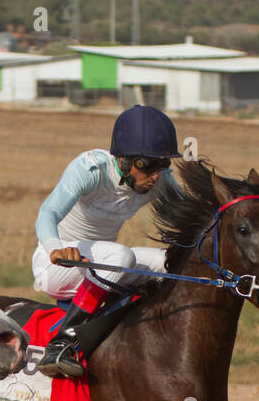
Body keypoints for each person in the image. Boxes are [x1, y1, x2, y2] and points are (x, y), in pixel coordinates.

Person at [30, 104, 182, 378]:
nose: (156, 175)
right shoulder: (91, 170)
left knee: (170, 262)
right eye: (147, 165)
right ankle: (62, 343)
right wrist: (56, 248)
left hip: (100, 264)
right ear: (123, 160)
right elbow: (47, 213)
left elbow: (192, 218)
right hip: (57, 265)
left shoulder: (159, 182)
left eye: (163, 164)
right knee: (121, 257)